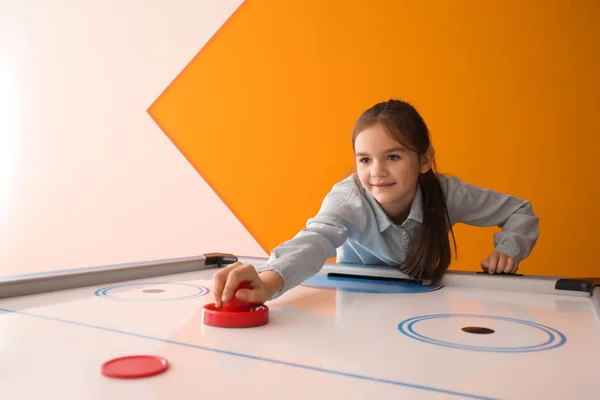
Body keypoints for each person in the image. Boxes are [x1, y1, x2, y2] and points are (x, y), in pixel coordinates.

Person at [212, 99, 539, 308]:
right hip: (359, 309)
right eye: (365, 159)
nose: (377, 171)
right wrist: (268, 282)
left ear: (425, 160)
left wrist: (508, 250)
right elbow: (314, 241)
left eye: (393, 157)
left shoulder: (447, 193)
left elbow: (519, 211)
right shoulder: (348, 198)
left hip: (425, 308)